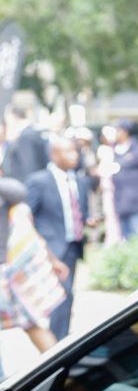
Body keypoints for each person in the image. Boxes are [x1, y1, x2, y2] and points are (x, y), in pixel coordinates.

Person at [24, 134, 90, 340]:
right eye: (68, 151)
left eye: (75, 151)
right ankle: (57, 347)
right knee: (63, 295)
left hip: (73, 245)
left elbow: (80, 212)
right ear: (54, 155)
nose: (74, 156)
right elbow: (27, 216)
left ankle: (61, 341)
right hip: (51, 248)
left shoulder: (80, 181)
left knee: (68, 298)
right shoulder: (39, 181)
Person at [0, 170, 67, 357]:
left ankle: (59, 369)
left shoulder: (7, 195)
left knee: (33, 325)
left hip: (7, 274)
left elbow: (19, 192)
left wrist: (52, 259)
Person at [112, 120, 138, 239]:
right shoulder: (114, 151)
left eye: (118, 130)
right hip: (121, 205)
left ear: (125, 132)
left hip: (137, 205)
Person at [3, 105, 50, 184]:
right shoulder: (32, 132)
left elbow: (28, 166)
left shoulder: (26, 136)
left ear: (13, 116)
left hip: (24, 185)